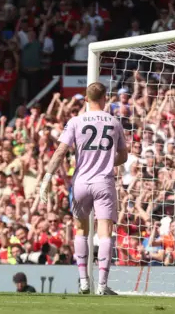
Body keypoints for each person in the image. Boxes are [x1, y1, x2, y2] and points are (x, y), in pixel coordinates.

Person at [39, 82, 127, 295]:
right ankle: (103, 285)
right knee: (105, 232)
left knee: (81, 229)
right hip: (103, 183)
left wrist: (47, 177)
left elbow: (60, 151)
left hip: (80, 183)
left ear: (86, 99)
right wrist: (105, 162)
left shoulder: (76, 121)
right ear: (105, 98)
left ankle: (84, 282)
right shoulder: (114, 122)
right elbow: (124, 156)